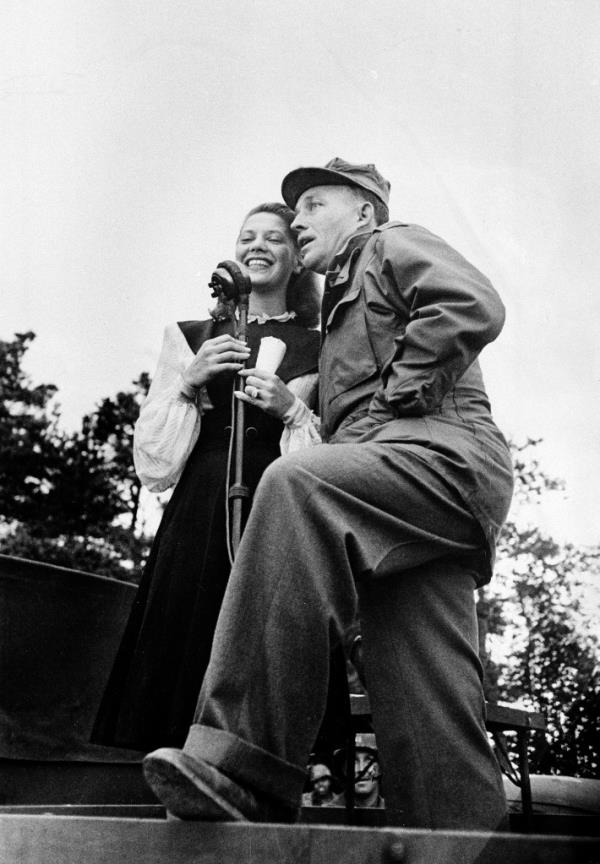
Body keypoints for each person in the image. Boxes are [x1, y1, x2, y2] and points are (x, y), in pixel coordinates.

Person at [141, 157, 514, 831]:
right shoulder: (337, 316)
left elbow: (472, 301)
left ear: (364, 212)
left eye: (313, 204)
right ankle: (462, 840)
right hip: (409, 510)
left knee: (294, 487)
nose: (298, 218)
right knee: (426, 697)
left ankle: (245, 766)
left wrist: (401, 396)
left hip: (439, 463)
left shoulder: (389, 245)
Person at [92, 202, 322, 752]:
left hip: (276, 501)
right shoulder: (188, 334)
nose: (258, 246)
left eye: (276, 238)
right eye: (248, 237)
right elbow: (154, 463)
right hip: (199, 503)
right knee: (188, 636)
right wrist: (190, 382)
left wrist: (291, 408)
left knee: (263, 632)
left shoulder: (322, 344)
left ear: (295, 260)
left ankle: (253, 768)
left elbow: (323, 453)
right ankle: (181, 774)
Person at [331, 733, 384, 809]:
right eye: (353, 761)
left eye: (369, 760)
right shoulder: (325, 815)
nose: (361, 769)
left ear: (381, 769)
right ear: (343, 769)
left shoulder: (396, 814)